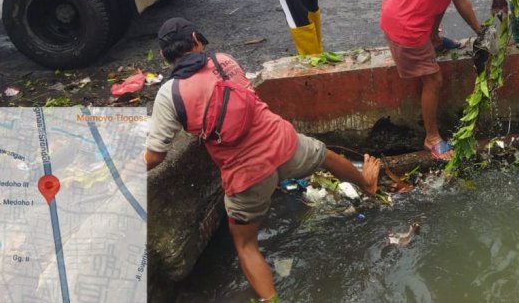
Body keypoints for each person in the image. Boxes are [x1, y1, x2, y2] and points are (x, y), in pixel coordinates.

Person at [145, 17, 381, 302]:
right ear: (197, 39)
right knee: (324, 155)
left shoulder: (169, 95)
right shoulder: (222, 60)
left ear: (163, 55)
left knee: (245, 245)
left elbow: (157, 155)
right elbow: (247, 96)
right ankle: (367, 184)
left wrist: (123, 170)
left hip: (246, 175)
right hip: (283, 143)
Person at [380, 0, 510, 159]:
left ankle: (435, 39)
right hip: (406, 24)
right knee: (433, 79)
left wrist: (479, 31)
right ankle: (432, 138)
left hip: (402, 12)